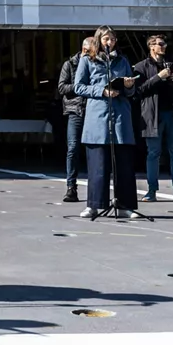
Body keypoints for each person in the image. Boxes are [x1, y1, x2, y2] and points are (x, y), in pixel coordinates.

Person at [74, 27, 138, 219]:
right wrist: (101, 91)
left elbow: (132, 92)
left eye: (112, 39)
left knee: (124, 166)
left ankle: (125, 206)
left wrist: (128, 86)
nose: (109, 42)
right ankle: (94, 205)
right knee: (98, 166)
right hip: (98, 119)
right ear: (98, 40)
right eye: (105, 39)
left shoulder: (123, 61)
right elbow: (78, 86)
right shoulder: (87, 61)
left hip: (120, 119)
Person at [133, 34, 173, 202]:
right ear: (152, 46)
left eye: (165, 43)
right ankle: (152, 190)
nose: (164, 46)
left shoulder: (172, 64)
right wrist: (159, 77)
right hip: (153, 115)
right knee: (153, 153)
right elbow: (138, 91)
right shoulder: (141, 67)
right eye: (160, 44)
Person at [57, 38, 93, 203]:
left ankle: (96, 187)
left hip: (92, 110)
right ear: (82, 49)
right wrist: (80, 86)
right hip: (75, 109)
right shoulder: (70, 64)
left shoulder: (96, 64)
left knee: (94, 148)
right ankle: (71, 187)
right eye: (87, 51)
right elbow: (62, 87)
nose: (89, 55)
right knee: (73, 148)